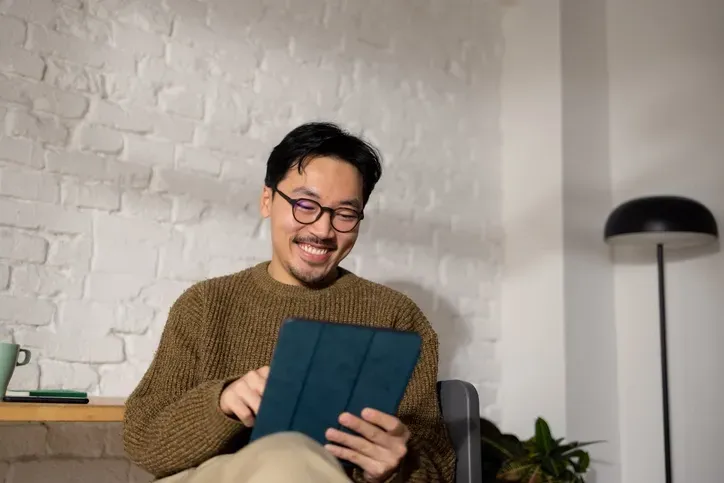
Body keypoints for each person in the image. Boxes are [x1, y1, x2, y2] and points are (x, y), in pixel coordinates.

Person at [122, 122, 456, 483]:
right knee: (288, 455)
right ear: (268, 200)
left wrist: (396, 468)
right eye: (305, 204)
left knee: (294, 458)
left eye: (345, 214)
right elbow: (144, 443)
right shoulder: (205, 305)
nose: (323, 230)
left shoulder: (397, 317)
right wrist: (222, 403)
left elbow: (438, 466)